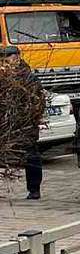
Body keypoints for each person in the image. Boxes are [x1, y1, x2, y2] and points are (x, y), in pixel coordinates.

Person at [0, 46, 44, 199]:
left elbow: (37, 102)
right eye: (3, 60)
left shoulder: (28, 78)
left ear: (17, 58)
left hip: (25, 124)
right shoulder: (4, 77)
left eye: (8, 59)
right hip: (7, 124)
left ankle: (34, 189)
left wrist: (26, 118)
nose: (6, 63)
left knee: (30, 155)